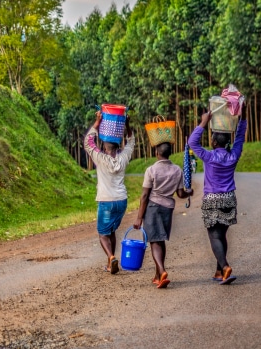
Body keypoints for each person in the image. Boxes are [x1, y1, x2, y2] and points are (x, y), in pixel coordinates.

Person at [188, 108, 247, 284]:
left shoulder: (209, 156)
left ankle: (225, 266)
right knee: (221, 235)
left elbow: (192, 142)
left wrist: (204, 122)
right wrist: (243, 118)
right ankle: (219, 271)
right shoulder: (233, 155)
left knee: (214, 236)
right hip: (229, 199)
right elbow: (240, 137)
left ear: (213, 143)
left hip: (212, 200)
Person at [133, 142, 193, 288]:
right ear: (169, 153)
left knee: (154, 241)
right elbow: (180, 193)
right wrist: (189, 192)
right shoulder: (177, 170)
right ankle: (158, 276)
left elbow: (145, 196)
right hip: (168, 208)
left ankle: (162, 270)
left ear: (156, 153)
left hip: (153, 208)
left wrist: (139, 217)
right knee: (161, 240)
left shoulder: (151, 170)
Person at [84, 111, 135, 274]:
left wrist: (97, 122)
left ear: (104, 145)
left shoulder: (100, 158)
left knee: (103, 233)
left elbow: (88, 142)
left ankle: (111, 257)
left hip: (106, 201)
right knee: (112, 230)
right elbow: (131, 141)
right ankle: (109, 261)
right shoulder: (124, 157)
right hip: (121, 200)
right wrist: (127, 124)